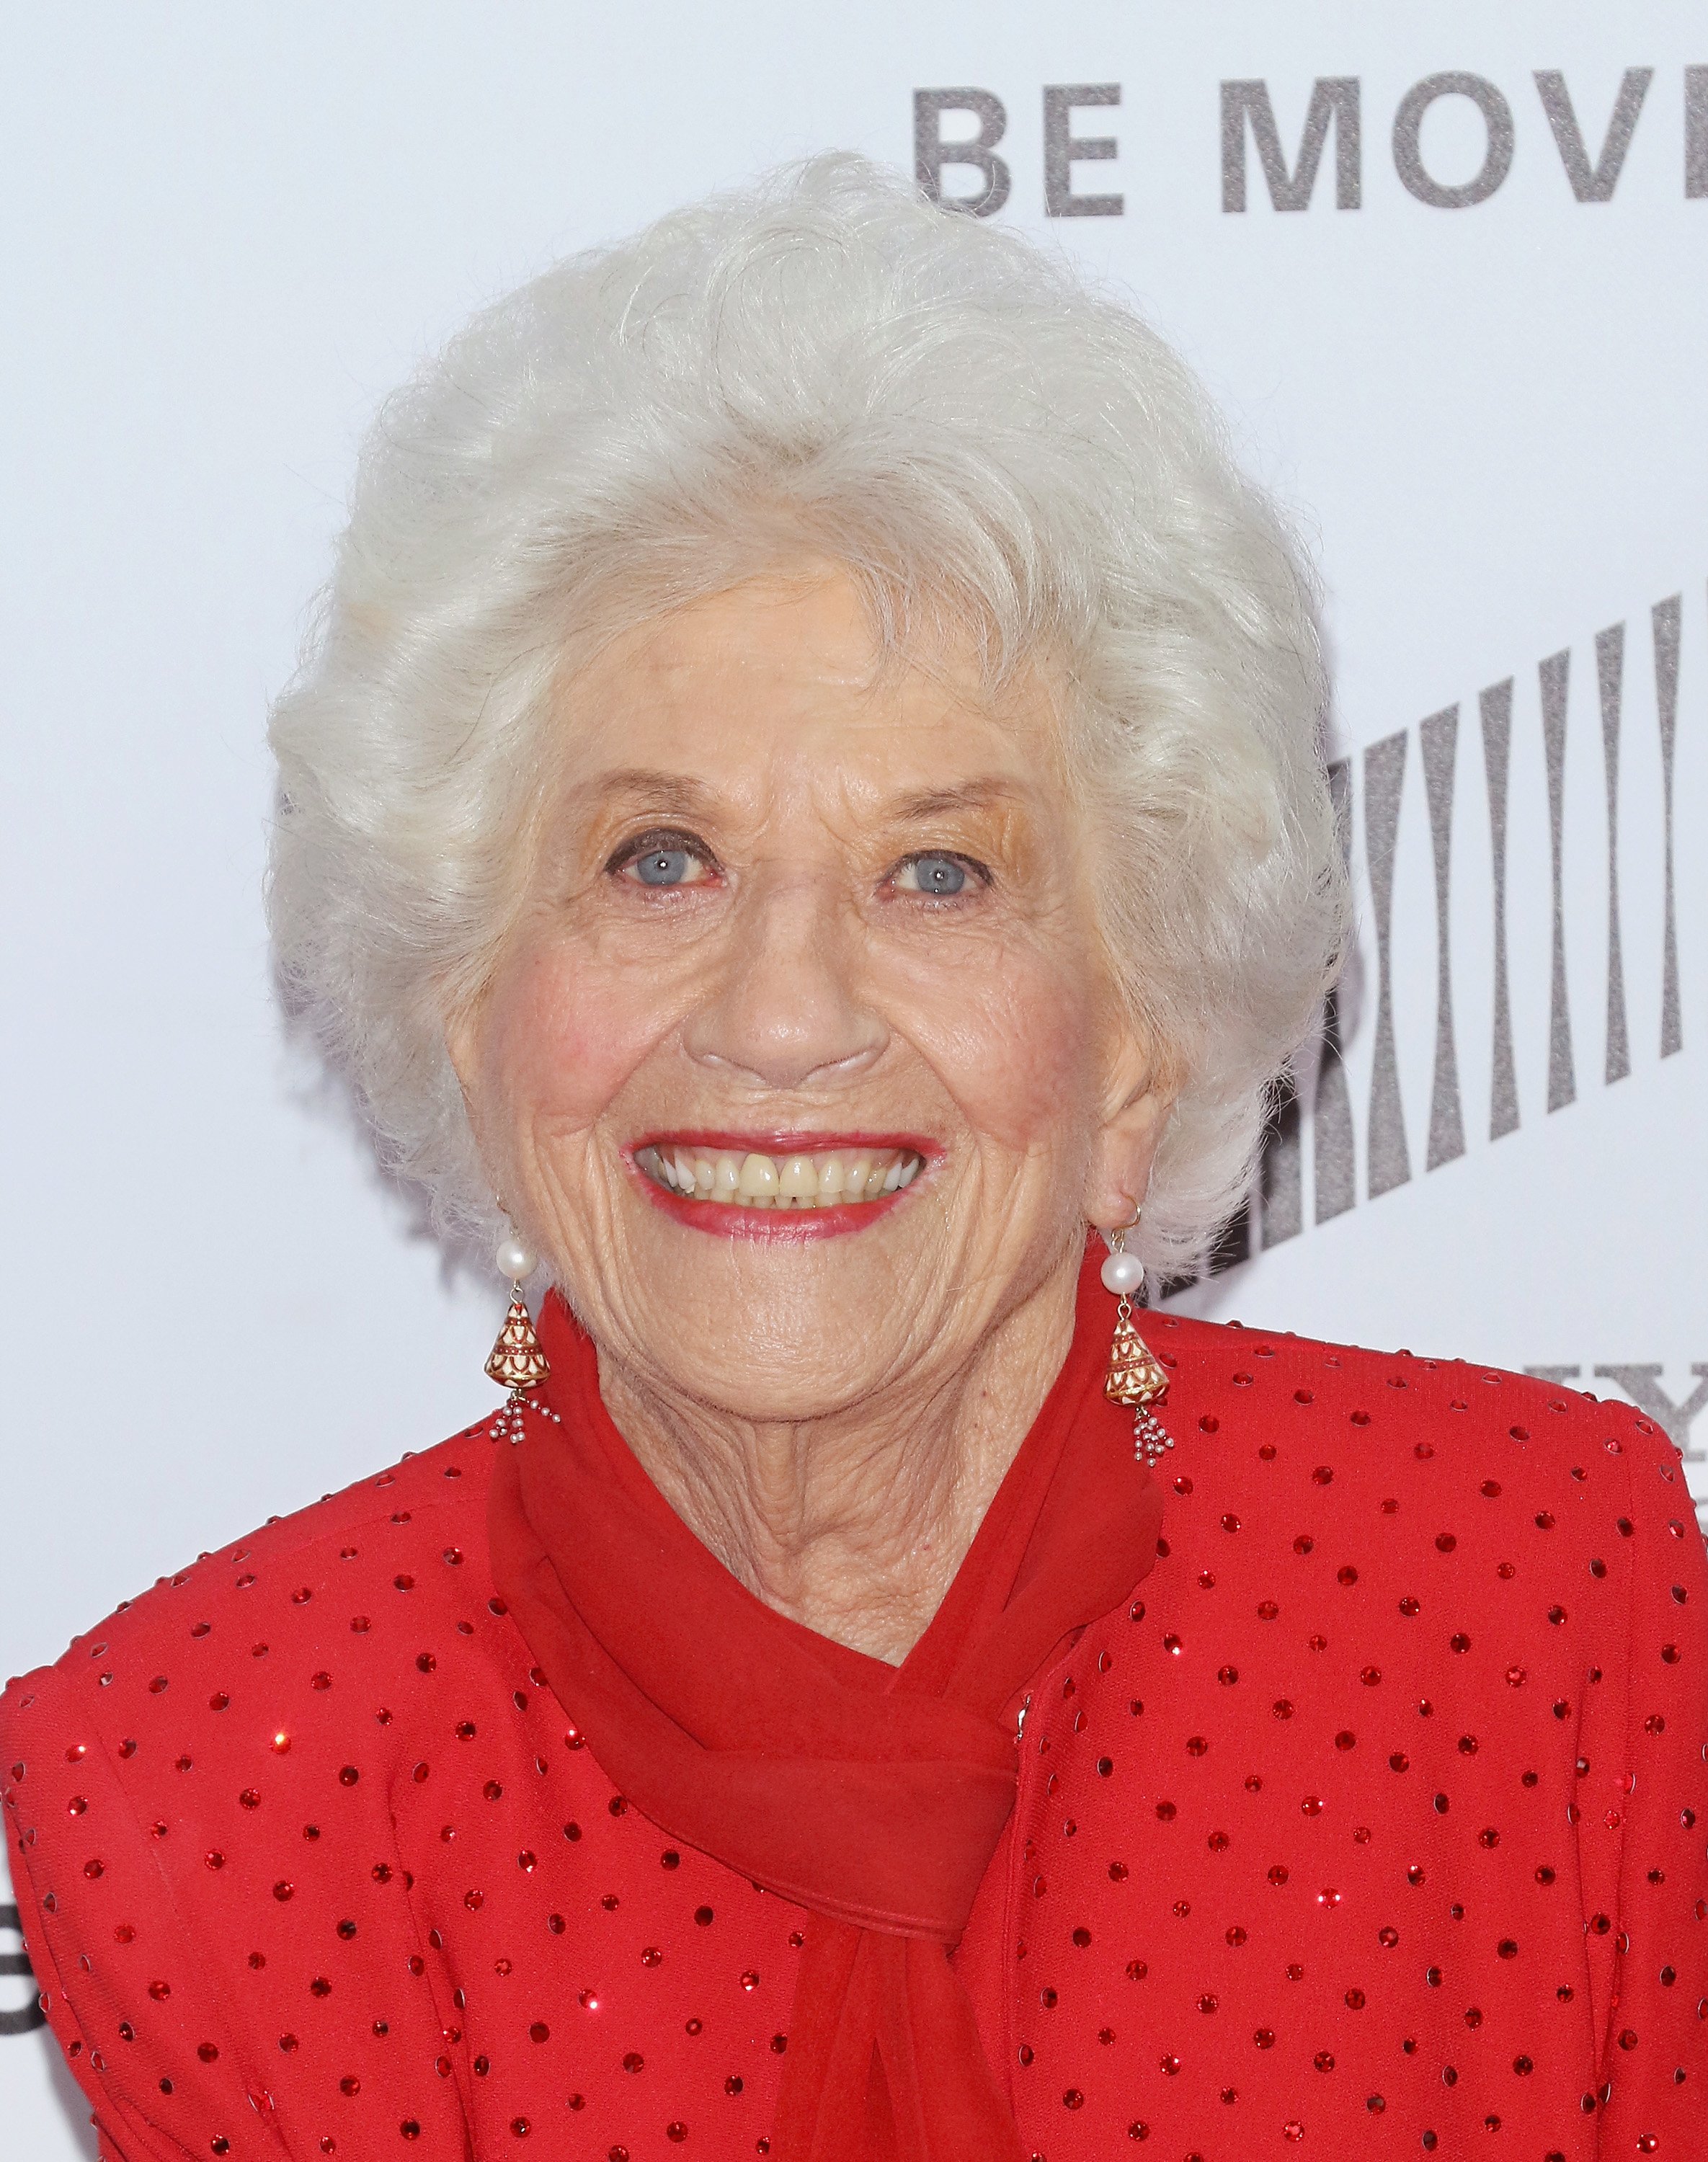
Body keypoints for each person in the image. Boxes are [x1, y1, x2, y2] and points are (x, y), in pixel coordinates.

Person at [4, 155, 1702, 2162]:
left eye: (936, 872)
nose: (782, 1014)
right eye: (658, 860)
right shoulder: (201, 1782)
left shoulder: (1523, 1591)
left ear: (1135, 1037)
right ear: (472, 1005)